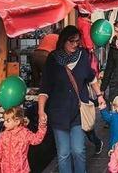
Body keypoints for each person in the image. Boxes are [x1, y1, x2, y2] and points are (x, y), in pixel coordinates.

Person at [38, 26, 101, 173]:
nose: (74, 45)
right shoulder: (52, 59)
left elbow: (91, 78)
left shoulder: (83, 56)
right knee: (63, 154)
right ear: (63, 41)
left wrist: (100, 96)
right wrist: (41, 111)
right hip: (58, 113)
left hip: (78, 112)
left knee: (79, 150)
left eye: (77, 41)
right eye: (71, 41)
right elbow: (44, 88)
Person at [0, 106, 48, 173]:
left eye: (7, 121)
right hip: (5, 170)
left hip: (21, 170)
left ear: (17, 121)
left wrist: (42, 126)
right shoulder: (3, 135)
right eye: (4, 120)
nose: (4, 123)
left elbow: (37, 139)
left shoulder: (25, 134)